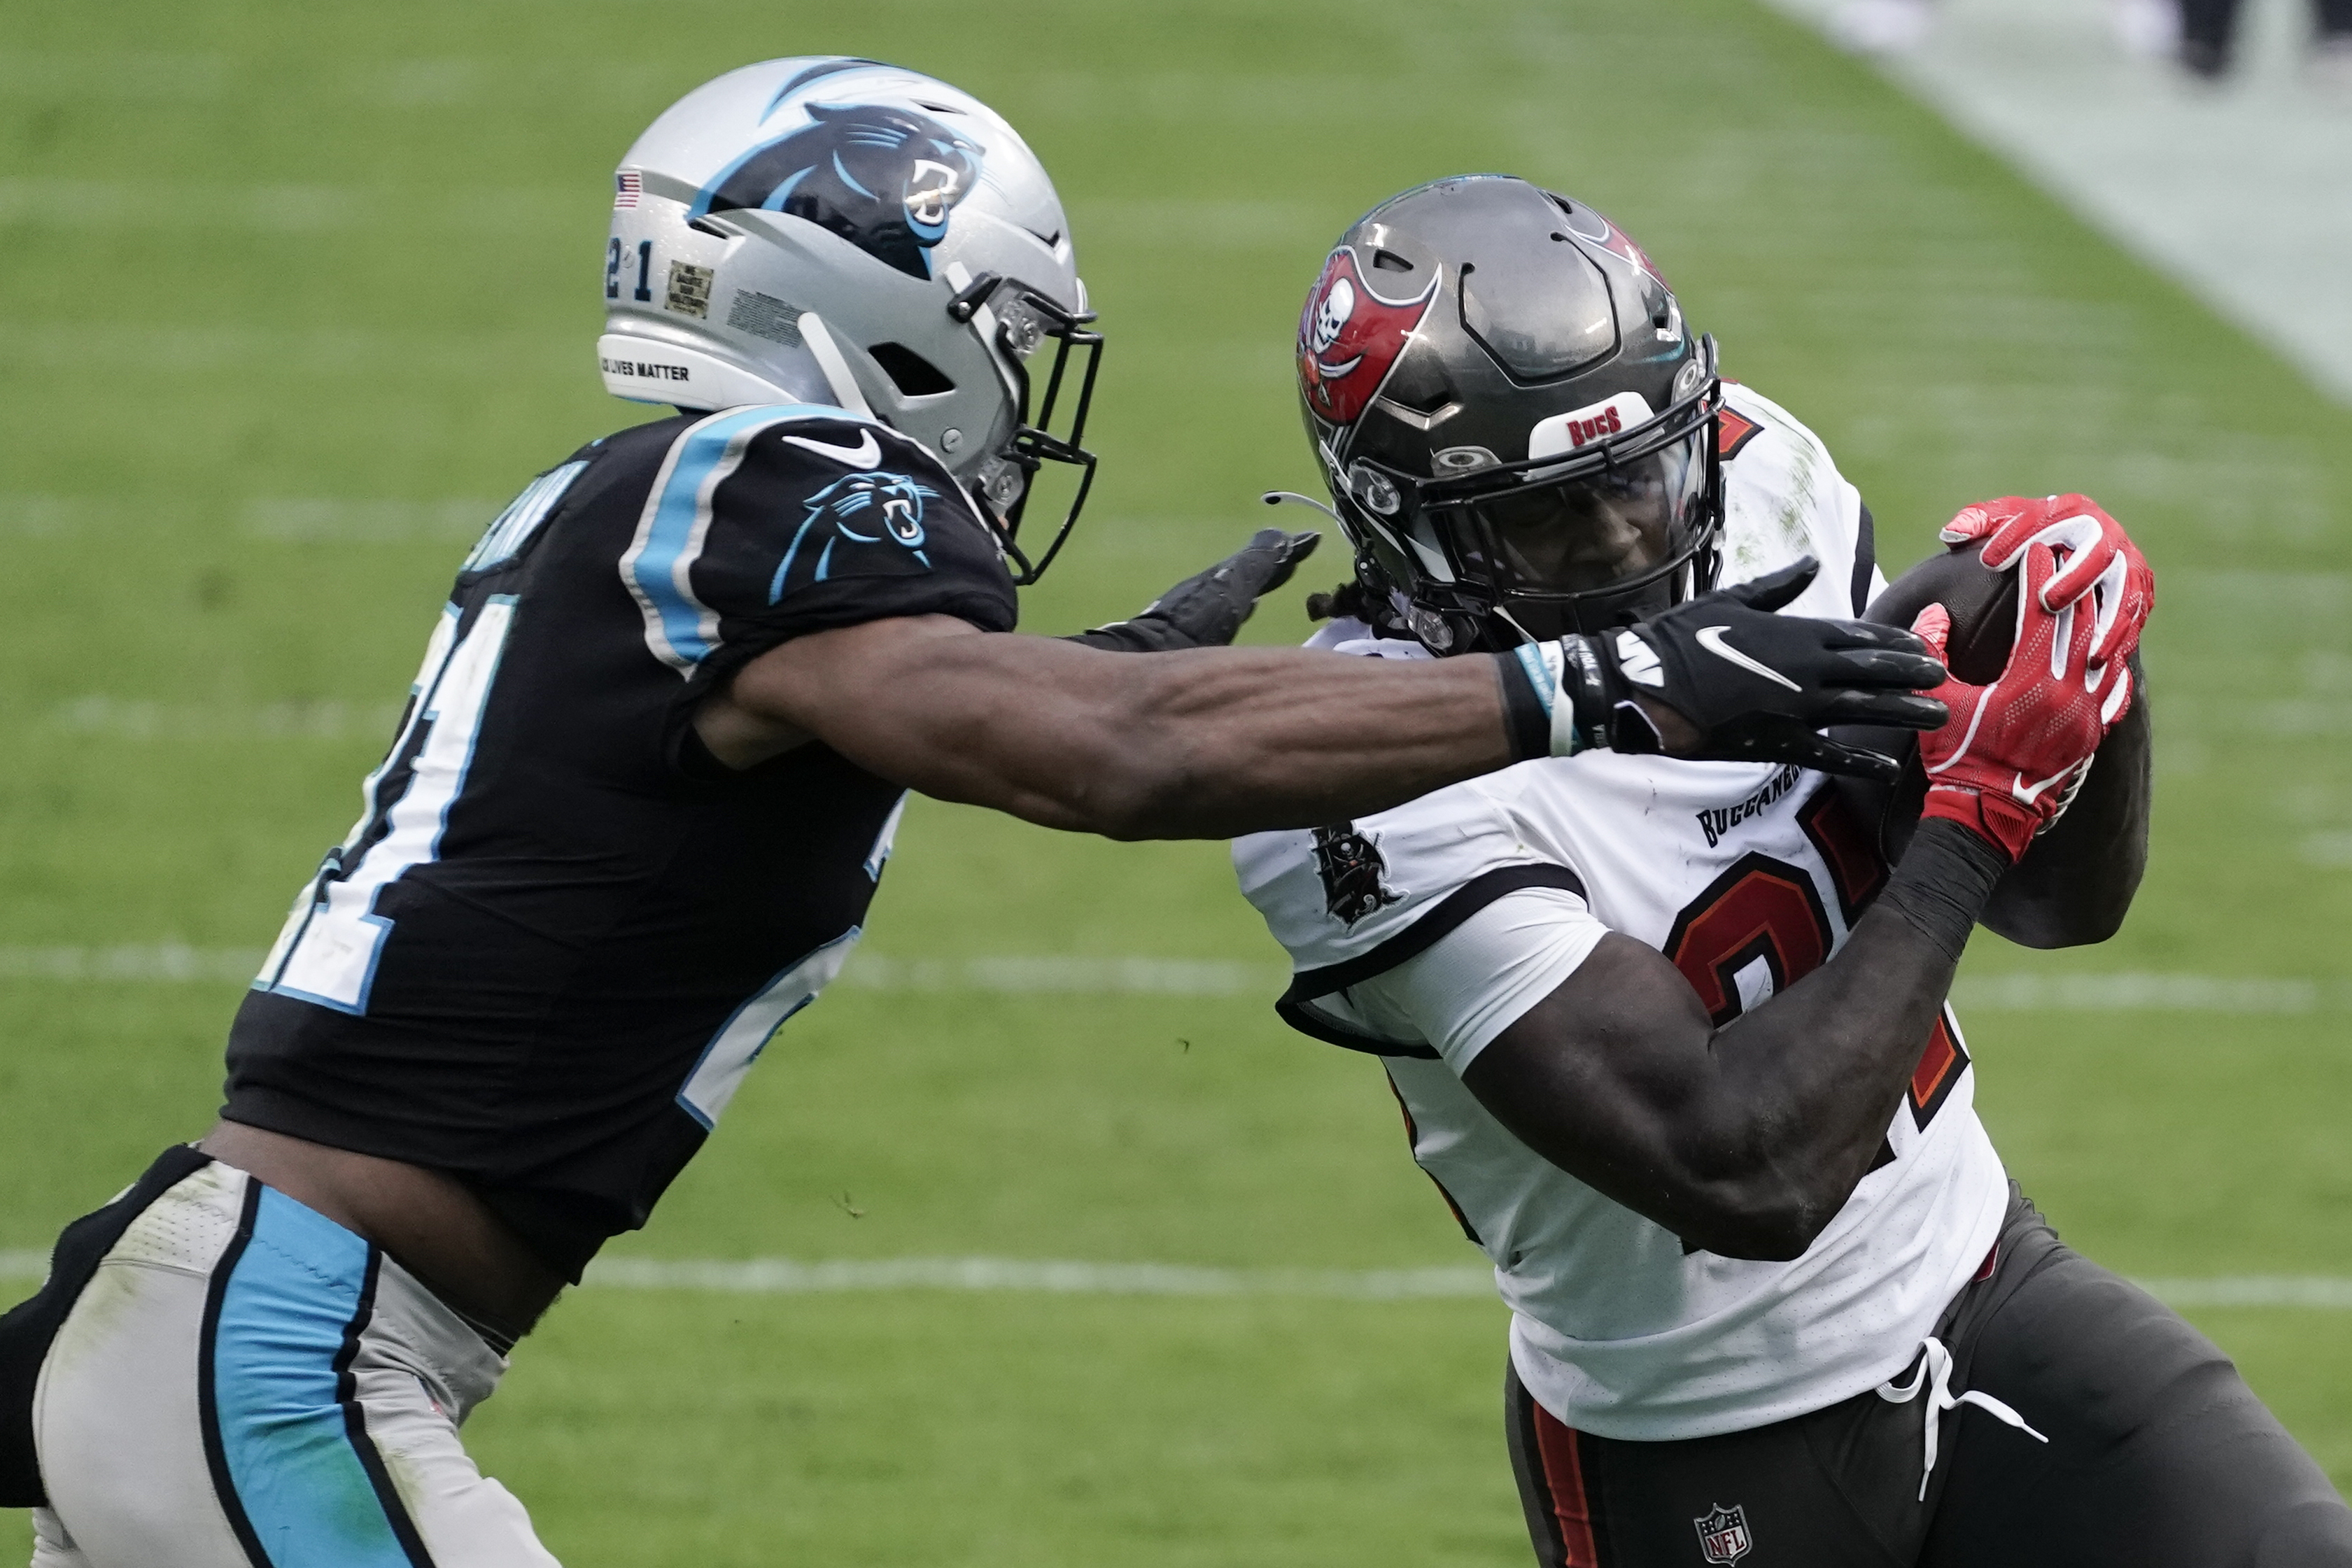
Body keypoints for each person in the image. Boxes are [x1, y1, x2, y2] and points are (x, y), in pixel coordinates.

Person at [0, 66, 1948, 1568]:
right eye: (1005, 336)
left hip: (229, 1299)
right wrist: (1601, 684)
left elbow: (698, 826)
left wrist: (1106, 664)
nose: (1017, 395)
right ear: (873, 311)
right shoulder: (784, 476)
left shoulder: (655, 509)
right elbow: (1110, 765)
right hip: (283, 1351)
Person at [1234, 174, 2352, 1565]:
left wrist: (2082, 693)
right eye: (1548, 519)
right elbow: (1747, 1168)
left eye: (1641, 480)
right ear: (1401, 522)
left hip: (1985, 1284)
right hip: (1699, 1443)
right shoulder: (1349, 776)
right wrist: (1972, 817)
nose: (1627, 543)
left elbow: (2063, 903)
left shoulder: (1760, 480)